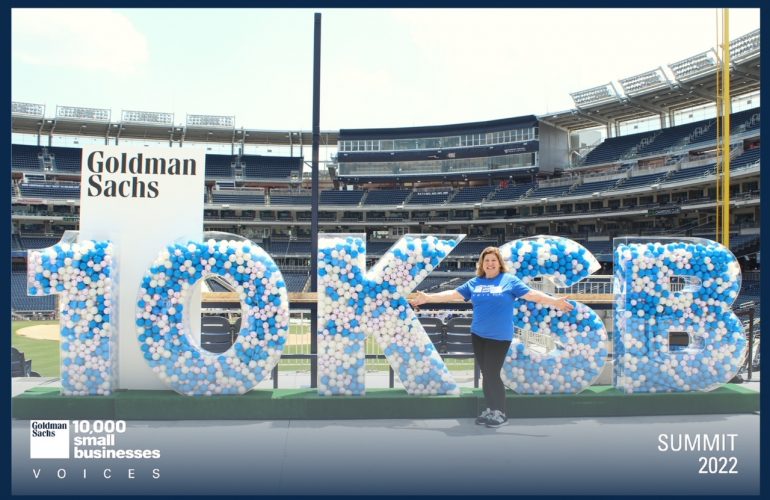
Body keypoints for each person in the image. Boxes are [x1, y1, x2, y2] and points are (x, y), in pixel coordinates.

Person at [409, 246, 574, 428]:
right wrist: (428, 297)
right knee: (486, 375)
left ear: (499, 263)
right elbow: (453, 294)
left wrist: (555, 301)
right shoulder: (475, 283)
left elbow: (532, 295)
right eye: (486, 260)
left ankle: (500, 413)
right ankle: (490, 409)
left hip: (500, 336)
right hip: (478, 334)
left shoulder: (509, 281)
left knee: (492, 373)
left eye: (493, 260)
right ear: (482, 264)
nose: (490, 263)